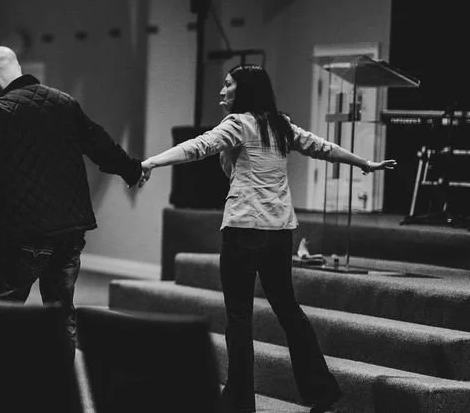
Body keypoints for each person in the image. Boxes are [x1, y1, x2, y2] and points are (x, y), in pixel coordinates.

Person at [138, 65, 395, 413]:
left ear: (243, 90)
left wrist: (151, 161)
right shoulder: (281, 125)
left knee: (239, 318)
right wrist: (363, 163)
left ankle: (239, 404)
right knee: (288, 310)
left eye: (228, 85)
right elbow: (324, 148)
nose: (222, 91)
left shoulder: (239, 124)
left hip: (244, 230)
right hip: (279, 233)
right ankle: (321, 392)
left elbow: (198, 147)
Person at [0, 46, 144, 348]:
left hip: (25, 235)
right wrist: (132, 170)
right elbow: (102, 146)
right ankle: (63, 389)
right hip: (70, 231)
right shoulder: (65, 103)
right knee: (61, 315)